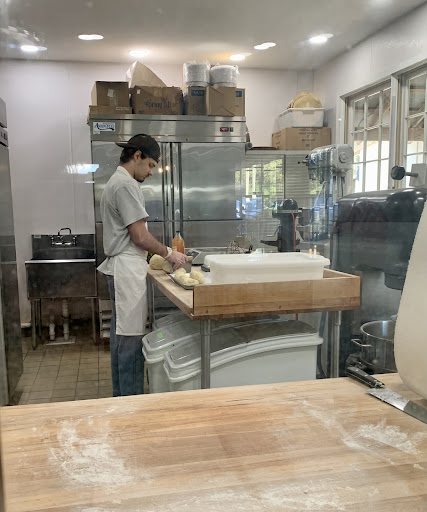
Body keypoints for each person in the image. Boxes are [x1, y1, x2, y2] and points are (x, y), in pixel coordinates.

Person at [97, 134, 186, 397]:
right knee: (130, 341)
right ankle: (131, 402)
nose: (150, 172)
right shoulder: (125, 185)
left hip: (123, 267)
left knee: (121, 338)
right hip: (126, 269)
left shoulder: (117, 182)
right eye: (150, 165)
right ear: (137, 156)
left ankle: (122, 397)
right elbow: (139, 237)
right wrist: (169, 253)